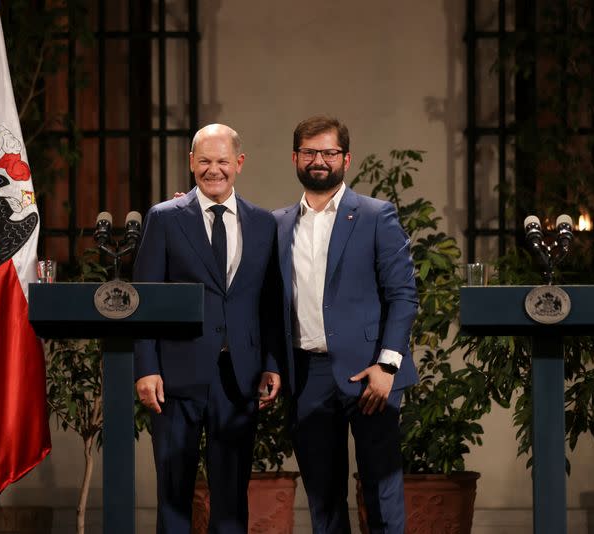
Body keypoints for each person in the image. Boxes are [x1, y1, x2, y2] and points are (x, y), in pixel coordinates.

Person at [134, 123, 282, 534]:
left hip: (240, 377)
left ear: (239, 163)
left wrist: (271, 362)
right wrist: (146, 367)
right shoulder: (164, 218)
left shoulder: (263, 223)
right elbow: (144, 298)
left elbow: (269, 302)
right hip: (174, 376)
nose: (213, 170)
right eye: (204, 161)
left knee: (232, 495)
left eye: (221, 161)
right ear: (191, 164)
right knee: (174, 492)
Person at [273, 116, 418, 534]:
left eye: (329, 152)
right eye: (310, 152)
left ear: (346, 159)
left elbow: (403, 296)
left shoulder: (376, 215)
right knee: (323, 502)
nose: (319, 160)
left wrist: (387, 366)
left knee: (382, 495)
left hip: (370, 373)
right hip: (307, 375)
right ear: (296, 158)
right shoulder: (277, 224)